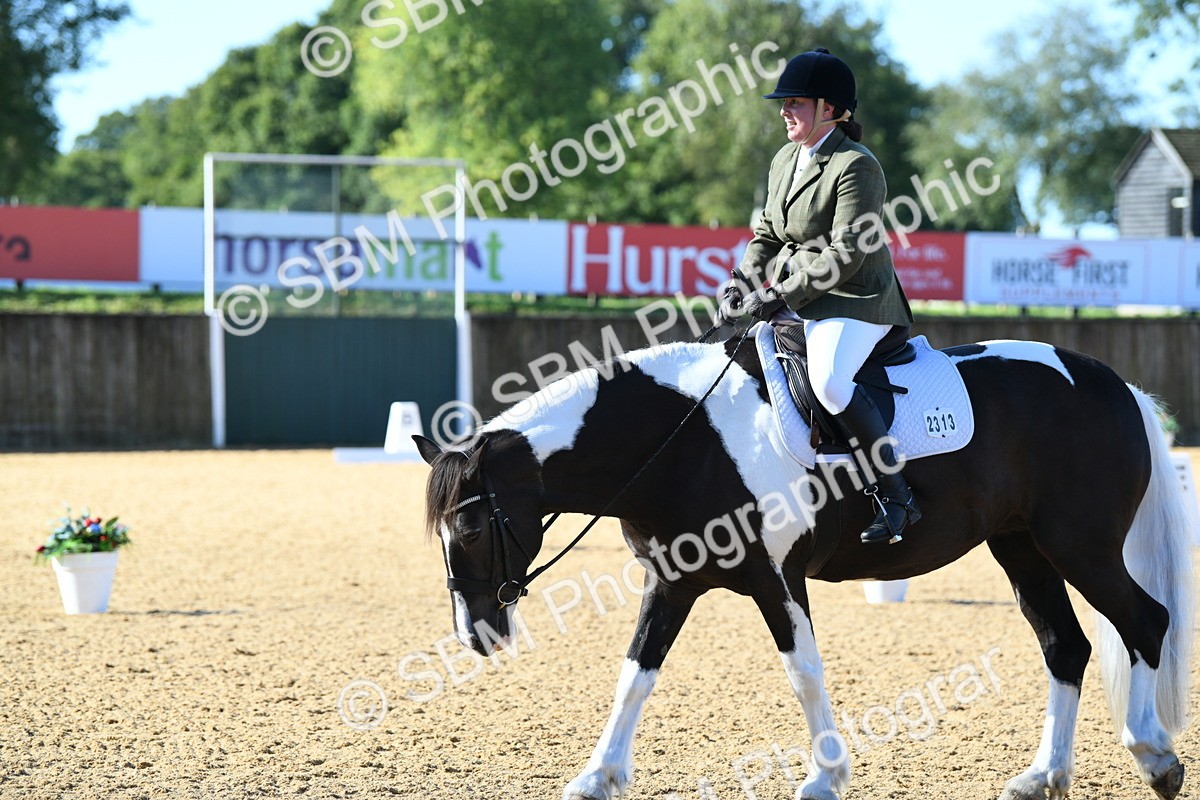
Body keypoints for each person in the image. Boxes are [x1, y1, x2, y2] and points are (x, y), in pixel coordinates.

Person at [718, 48, 919, 545]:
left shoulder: (857, 165)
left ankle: (896, 495)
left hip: (857, 298)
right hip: (802, 294)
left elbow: (847, 251)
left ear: (829, 109)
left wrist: (778, 293)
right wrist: (742, 280)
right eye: (783, 103)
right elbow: (767, 231)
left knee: (829, 381)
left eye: (796, 103)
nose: (784, 110)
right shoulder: (786, 157)